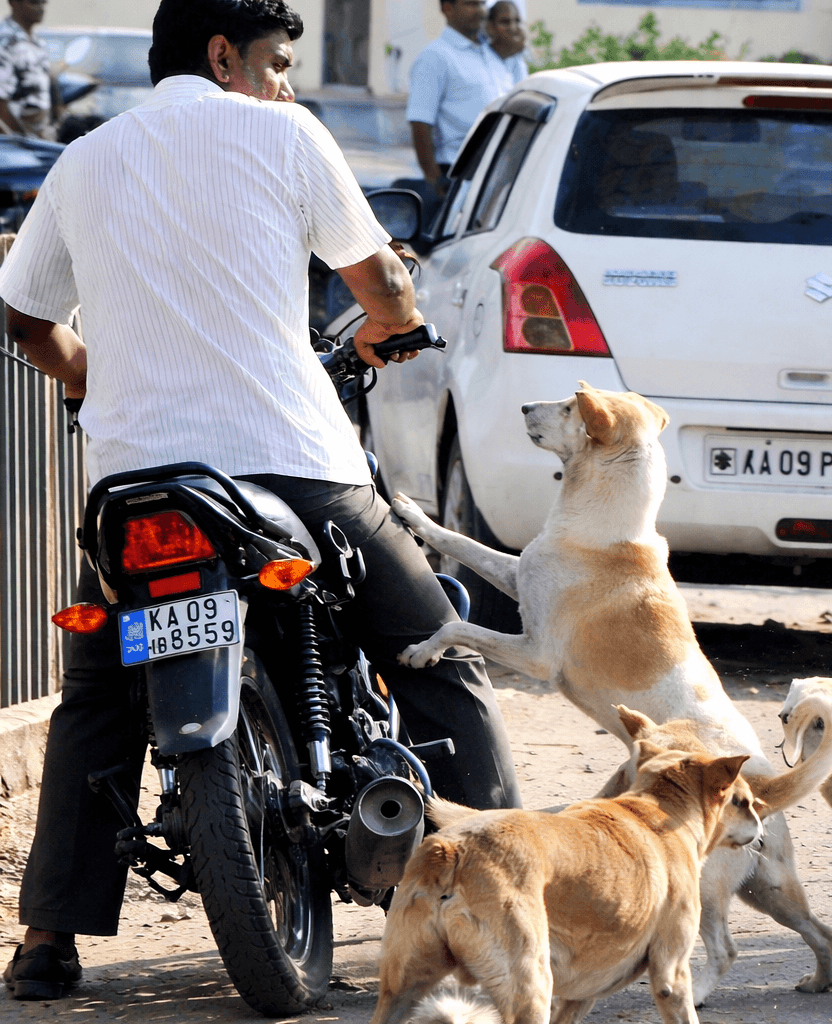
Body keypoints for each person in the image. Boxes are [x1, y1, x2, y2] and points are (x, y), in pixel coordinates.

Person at [0, 0, 522, 1001]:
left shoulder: (83, 160)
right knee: (439, 654)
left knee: (97, 698)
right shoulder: (285, 134)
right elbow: (387, 288)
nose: (285, 83)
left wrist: (88, 375)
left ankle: (45, 940)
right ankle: (508, 895)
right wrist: (386, 329)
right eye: (277, 62)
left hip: (137, 490)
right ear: (222, 55)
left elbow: (25, 320)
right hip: (293, 466)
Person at [407, 0, 512, 194]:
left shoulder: (492, 54)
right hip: (457, 175)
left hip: (496, 173)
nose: (481, 11)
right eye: (471, 4)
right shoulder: (435, 57)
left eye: (482, 3)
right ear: (448, 8)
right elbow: (420, 123)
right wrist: (434, 181)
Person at [0, 0, 57, 139]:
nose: (41, 8)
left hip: (38, 135)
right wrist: (21, 139)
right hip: (16, 141)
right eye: (34, 2)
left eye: (43, 3)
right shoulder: (6, 40)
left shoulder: (35, 41)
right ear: (14, 3)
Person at [485, 0, 527, 86]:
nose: (513, 27)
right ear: (490, 27)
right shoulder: (482, 59)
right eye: (505, 22)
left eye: (517, 21)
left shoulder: (517, 61)